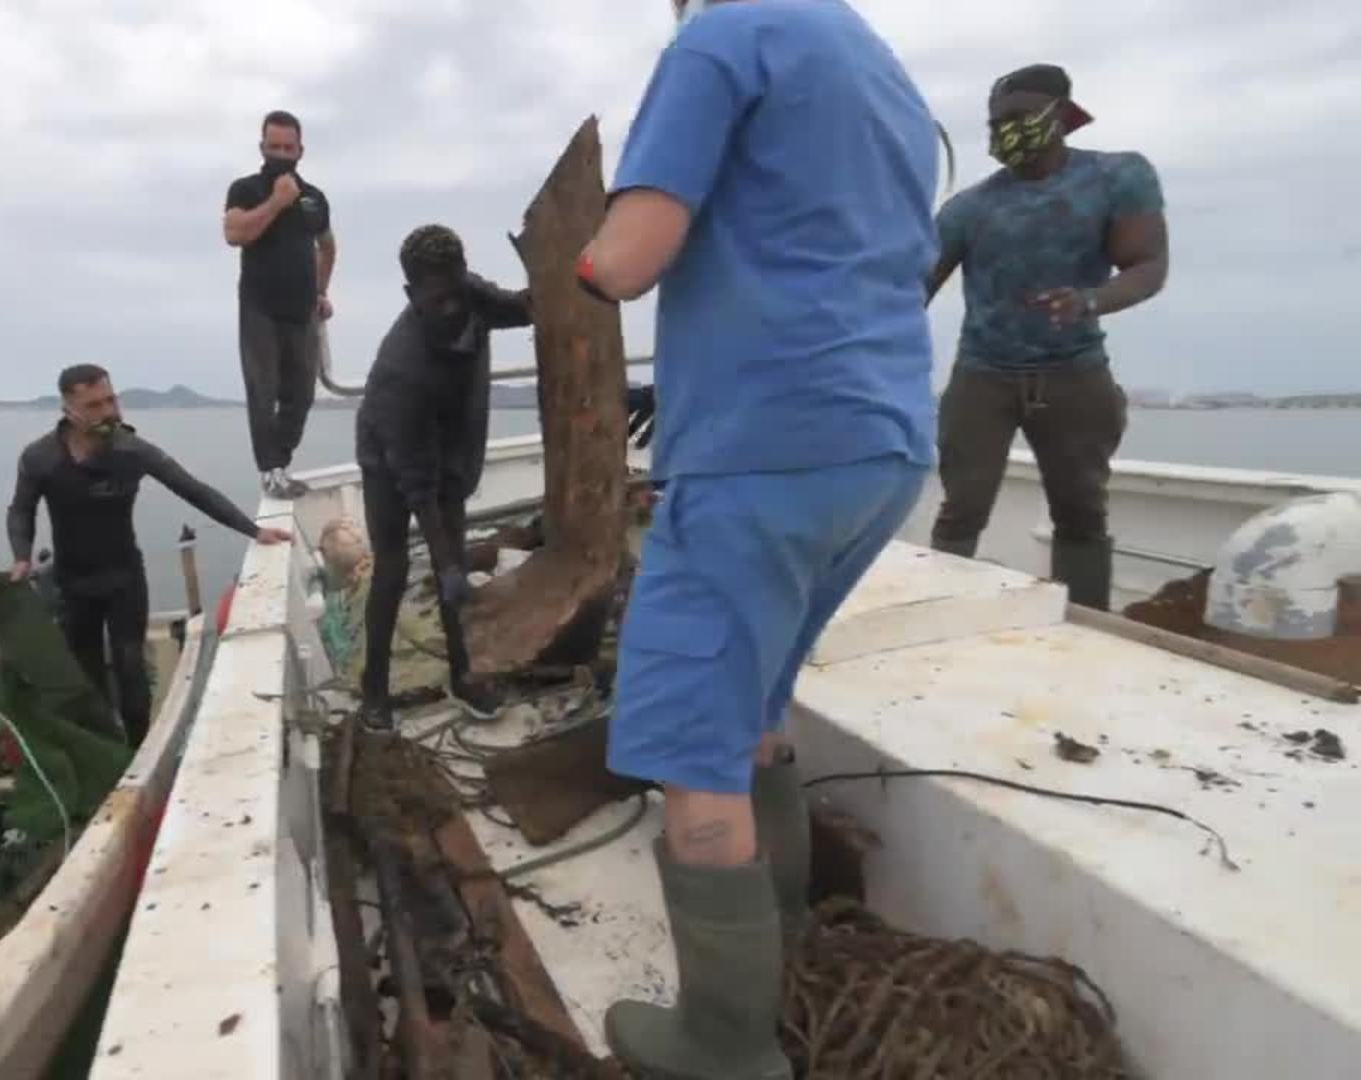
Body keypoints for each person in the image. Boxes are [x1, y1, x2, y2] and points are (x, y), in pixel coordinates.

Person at [575, 1, 943, 1075]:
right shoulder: (880, 66)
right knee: (757, 708)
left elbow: (629, 259)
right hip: (879, 441)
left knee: (693, 743)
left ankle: (726, 1043)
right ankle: (783, 940)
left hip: (761, 441)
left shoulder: (719, 39)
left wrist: (579, 264)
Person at [925, 64, 1169, 611]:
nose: (1002, 131)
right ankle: (938, 609)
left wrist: (1090, 301)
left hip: (1075, 372)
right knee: (961, 508)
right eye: (994, 122)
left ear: (1060, 114)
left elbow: (1148, 265)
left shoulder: (1119, 176)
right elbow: (909, 291)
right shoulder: (967, 208)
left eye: (1016, 118)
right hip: (983, 375)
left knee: (1081, 508)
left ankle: (1085, 625)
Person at [7, 364, 291, 746]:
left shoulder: (131, 451)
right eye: (94, 405)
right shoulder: (40, 457)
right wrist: (21, 556)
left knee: (130, 669)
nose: (108, 412)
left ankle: (138, 751)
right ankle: (104, 748)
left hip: (123, 577)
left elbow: (194, 490)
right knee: (87, 676)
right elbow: (20, 509)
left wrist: (253, 530)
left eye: (111, 400)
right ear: (69, 410)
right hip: (73, 583)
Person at [353, 225, 531, 729]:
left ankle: (465, 674)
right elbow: (416, 482)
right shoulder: (400, 371)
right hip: (388, 461)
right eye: (439, 300)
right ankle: (375, 691)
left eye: (458, 291)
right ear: (411, 296)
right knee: (392, 571)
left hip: (451, 452)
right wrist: (447, 564)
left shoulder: (470, 294)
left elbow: (520, 307)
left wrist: (556, 286)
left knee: (452, 557)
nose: (454, 308)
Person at [223, 109, 336, 499]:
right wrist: (275, 203)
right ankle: (270, 471)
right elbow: (234, 233)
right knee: (263, 390)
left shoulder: (316, 198)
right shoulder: (245, 189)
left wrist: (321, 292)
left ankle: (281, 461)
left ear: (300, 149)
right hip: (259, 307)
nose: (281, 154)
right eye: (274, 147)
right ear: (262, 147)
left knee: (302, 394)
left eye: (288, 147)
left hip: (301, 308)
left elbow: (328, 245)